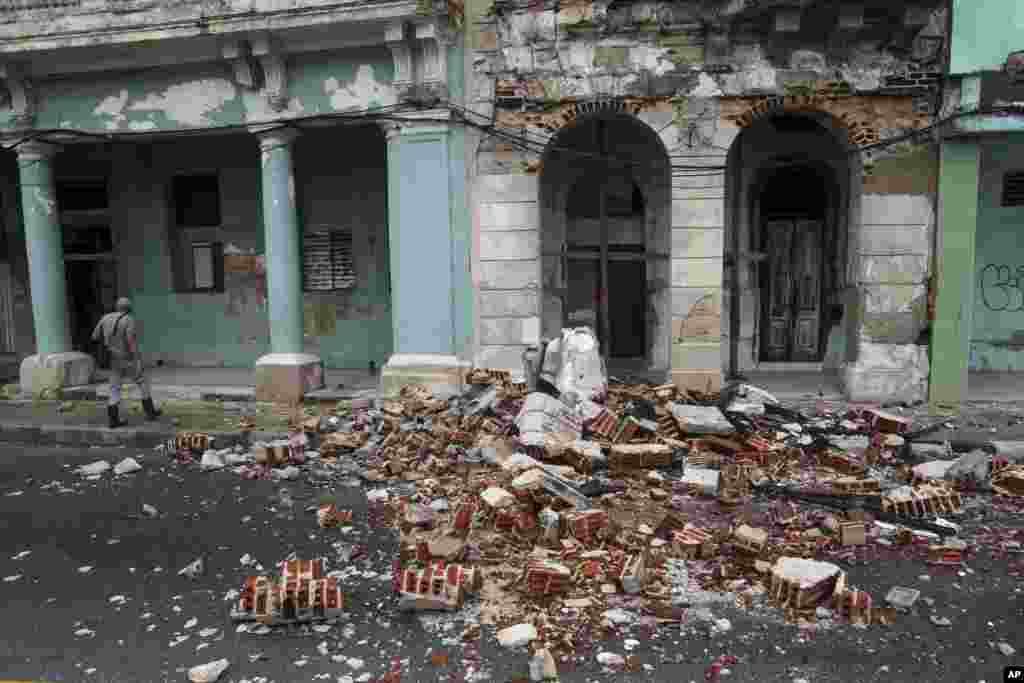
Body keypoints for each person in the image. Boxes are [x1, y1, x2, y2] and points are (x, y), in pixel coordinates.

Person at [91, 297, 161, 428]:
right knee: (142, 381)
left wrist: (107, 344)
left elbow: (94, 337)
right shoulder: (129, 319)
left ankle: (113, 420)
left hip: (112, 359)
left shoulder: (105, 318)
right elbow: (130, 341)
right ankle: (150, 413)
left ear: (117, 307)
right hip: (127, 358)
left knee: (114, 388)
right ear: (129, 309)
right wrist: (137, 359)